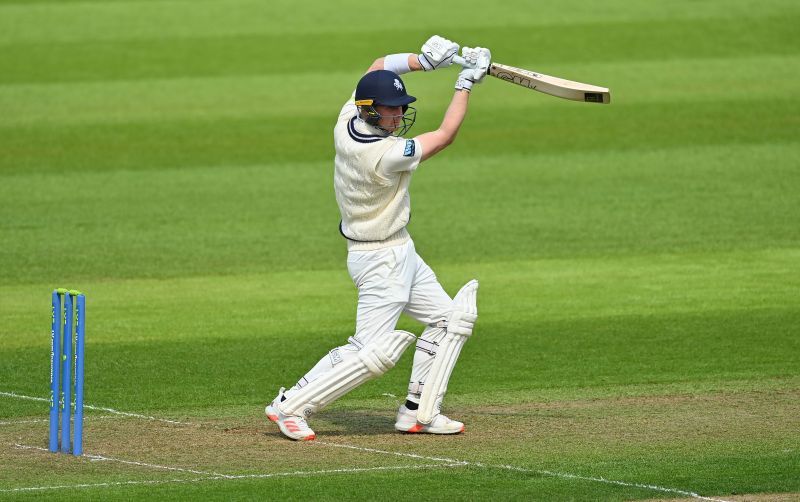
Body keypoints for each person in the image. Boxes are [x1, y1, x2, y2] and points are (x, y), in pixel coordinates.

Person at [265, 36, 491, 441]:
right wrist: (465, 82)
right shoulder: (383, 154)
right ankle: (290, 406)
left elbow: (375, 65)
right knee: (370, 351)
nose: (399, 114)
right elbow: (445, 135)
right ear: (371, 112)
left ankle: (419, 412)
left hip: (400, 249)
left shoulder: (347, 117)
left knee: (449, 320)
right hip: (378, 258)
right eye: (391, 109)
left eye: (400, 107)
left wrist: (422, 61)